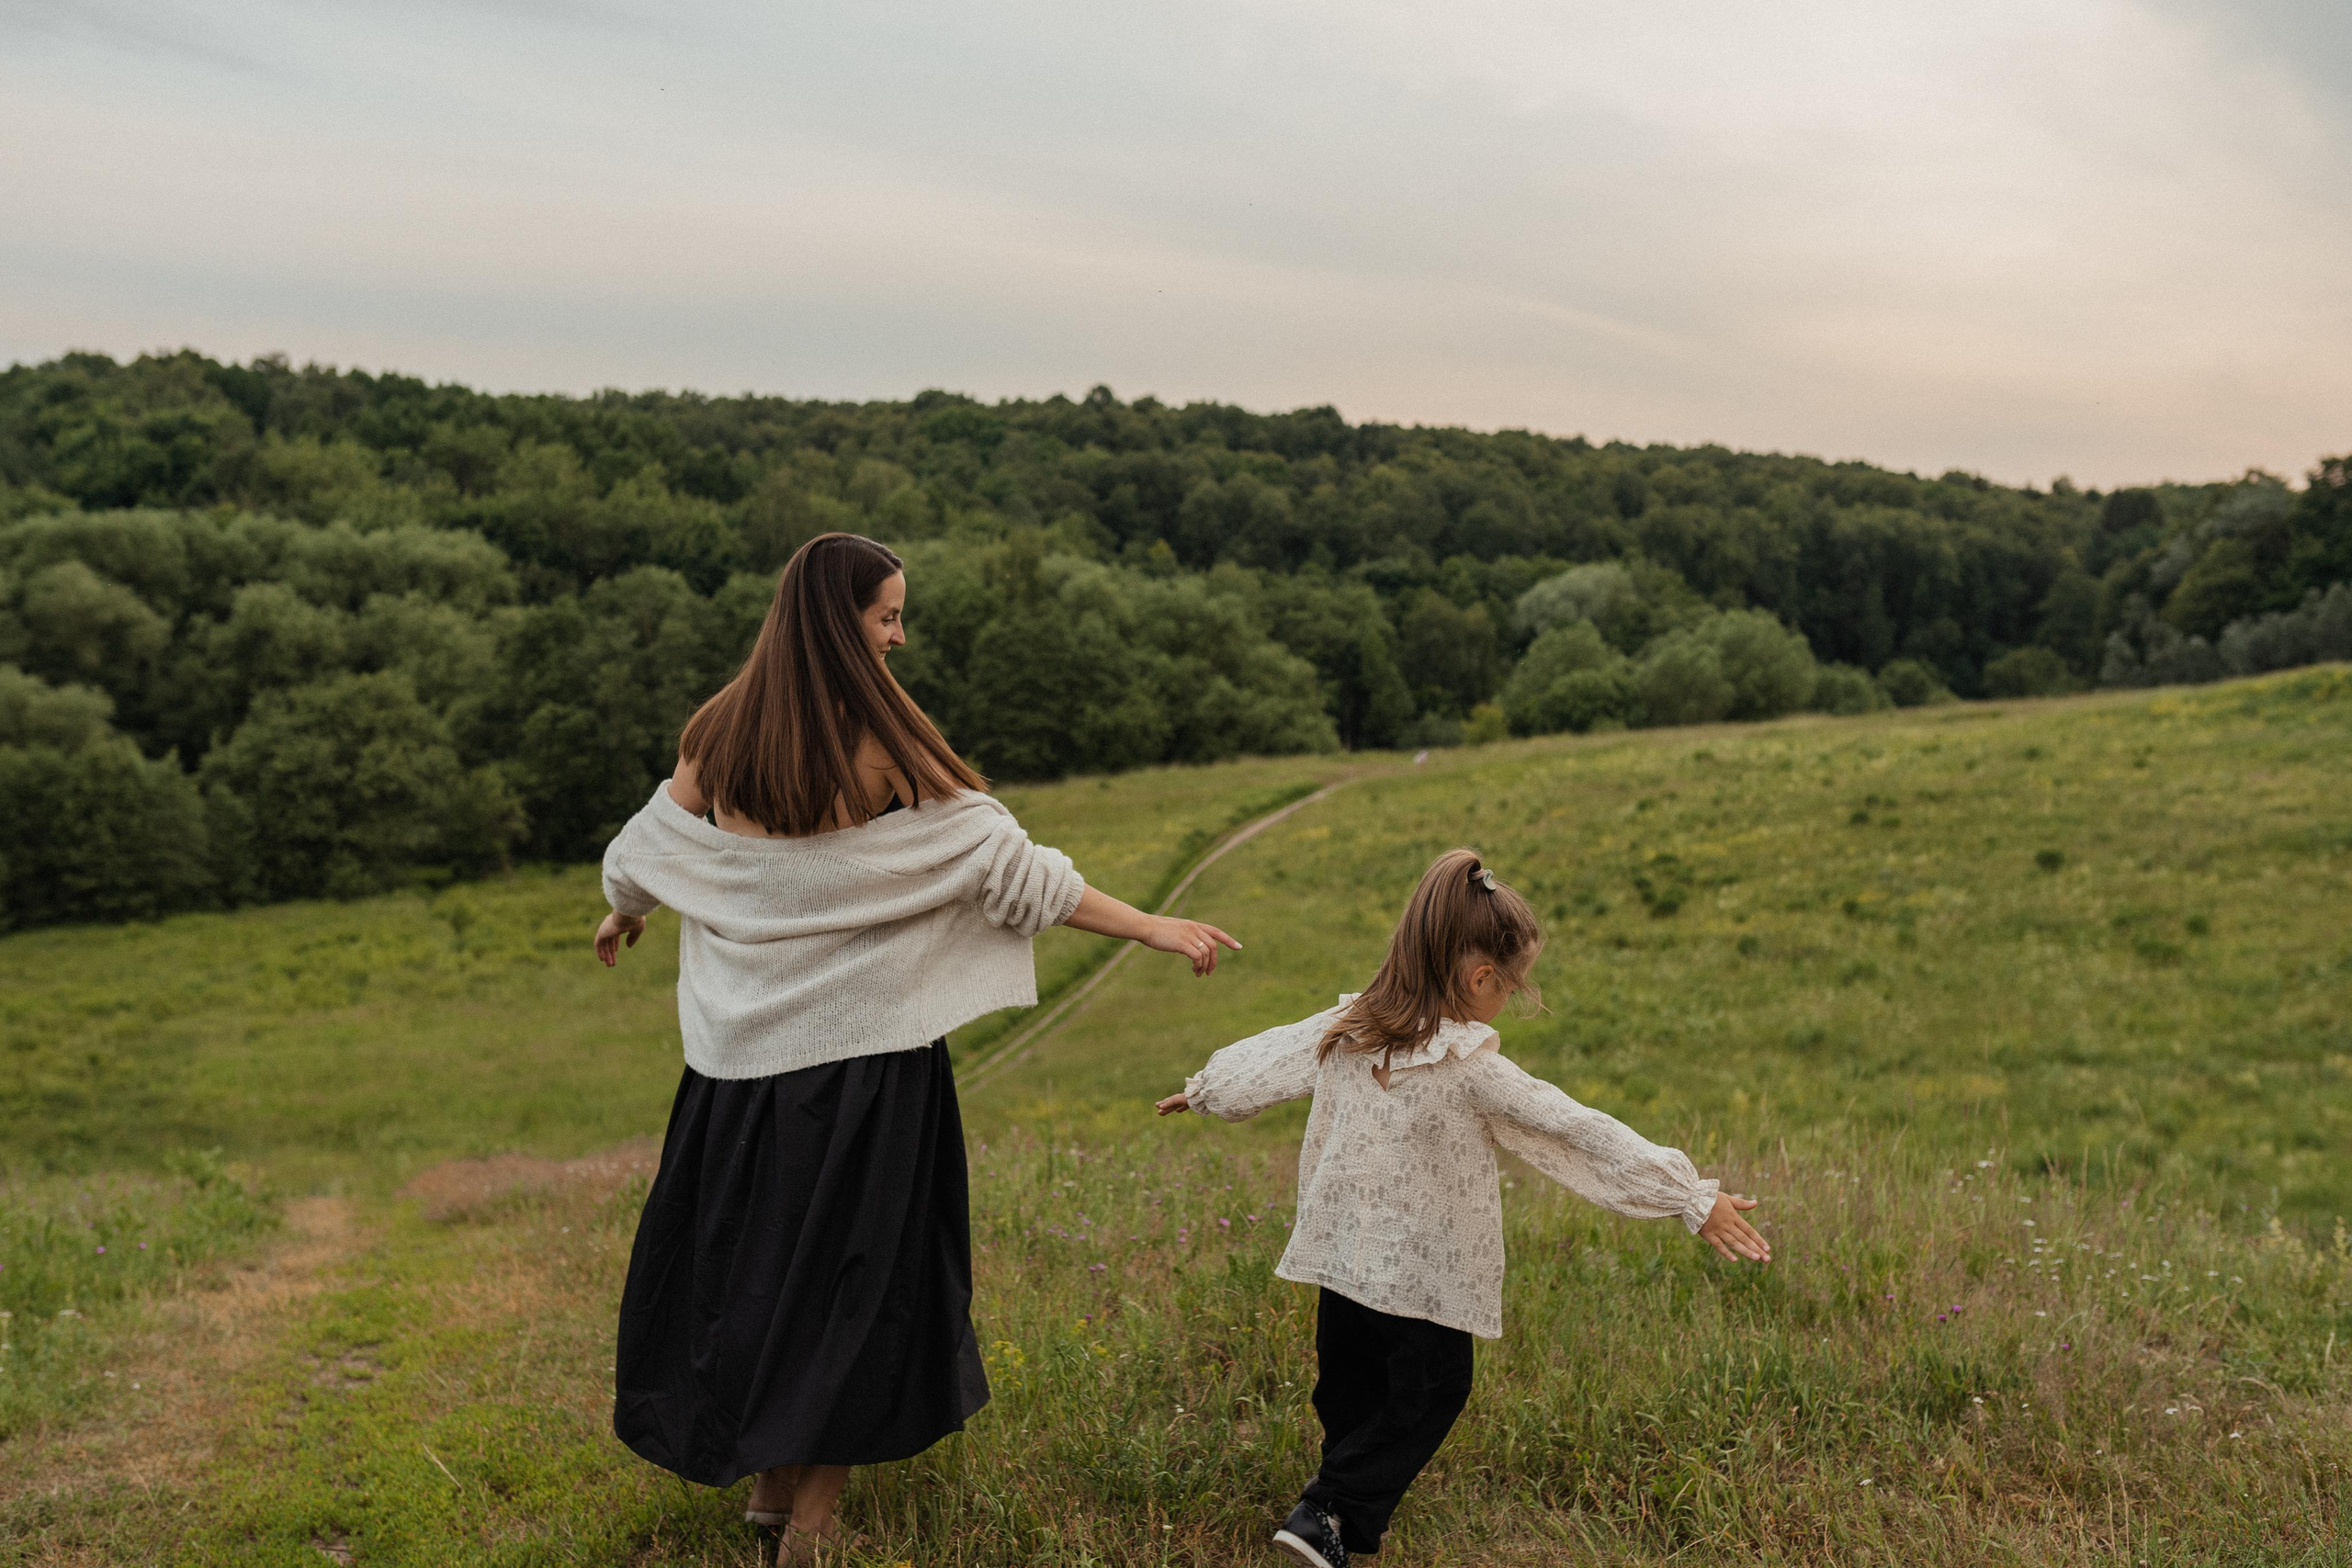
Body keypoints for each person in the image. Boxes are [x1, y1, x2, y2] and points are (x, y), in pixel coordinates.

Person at [594, 532, 1239, 1566]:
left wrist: (625, 913)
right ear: (838, 621)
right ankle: (811, 1525)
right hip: (868, 1070)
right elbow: (1014, 874)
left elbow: (646, 851)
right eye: (887, 614)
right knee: (861, 1282)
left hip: (739, 1074)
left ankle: (768, 1488)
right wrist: (1154, 927)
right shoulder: (889, 741)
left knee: (756, 1271)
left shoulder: (722, 728)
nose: (899, 635)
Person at [1156, 848, 1769, 1568]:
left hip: (1342, 1258)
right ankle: (1328, 1510)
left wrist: (1205, 1089)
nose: (1512, 996)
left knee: (1352, 1392)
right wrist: (1690, 1195)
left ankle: (1336, 1534)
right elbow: (1574, 1126)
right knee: (1435, 1387)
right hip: (1420, 1277)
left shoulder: (1349, 1025)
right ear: (1481, 978)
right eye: (1512, 985)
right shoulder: (1470, 1068)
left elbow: (1272, 1055)